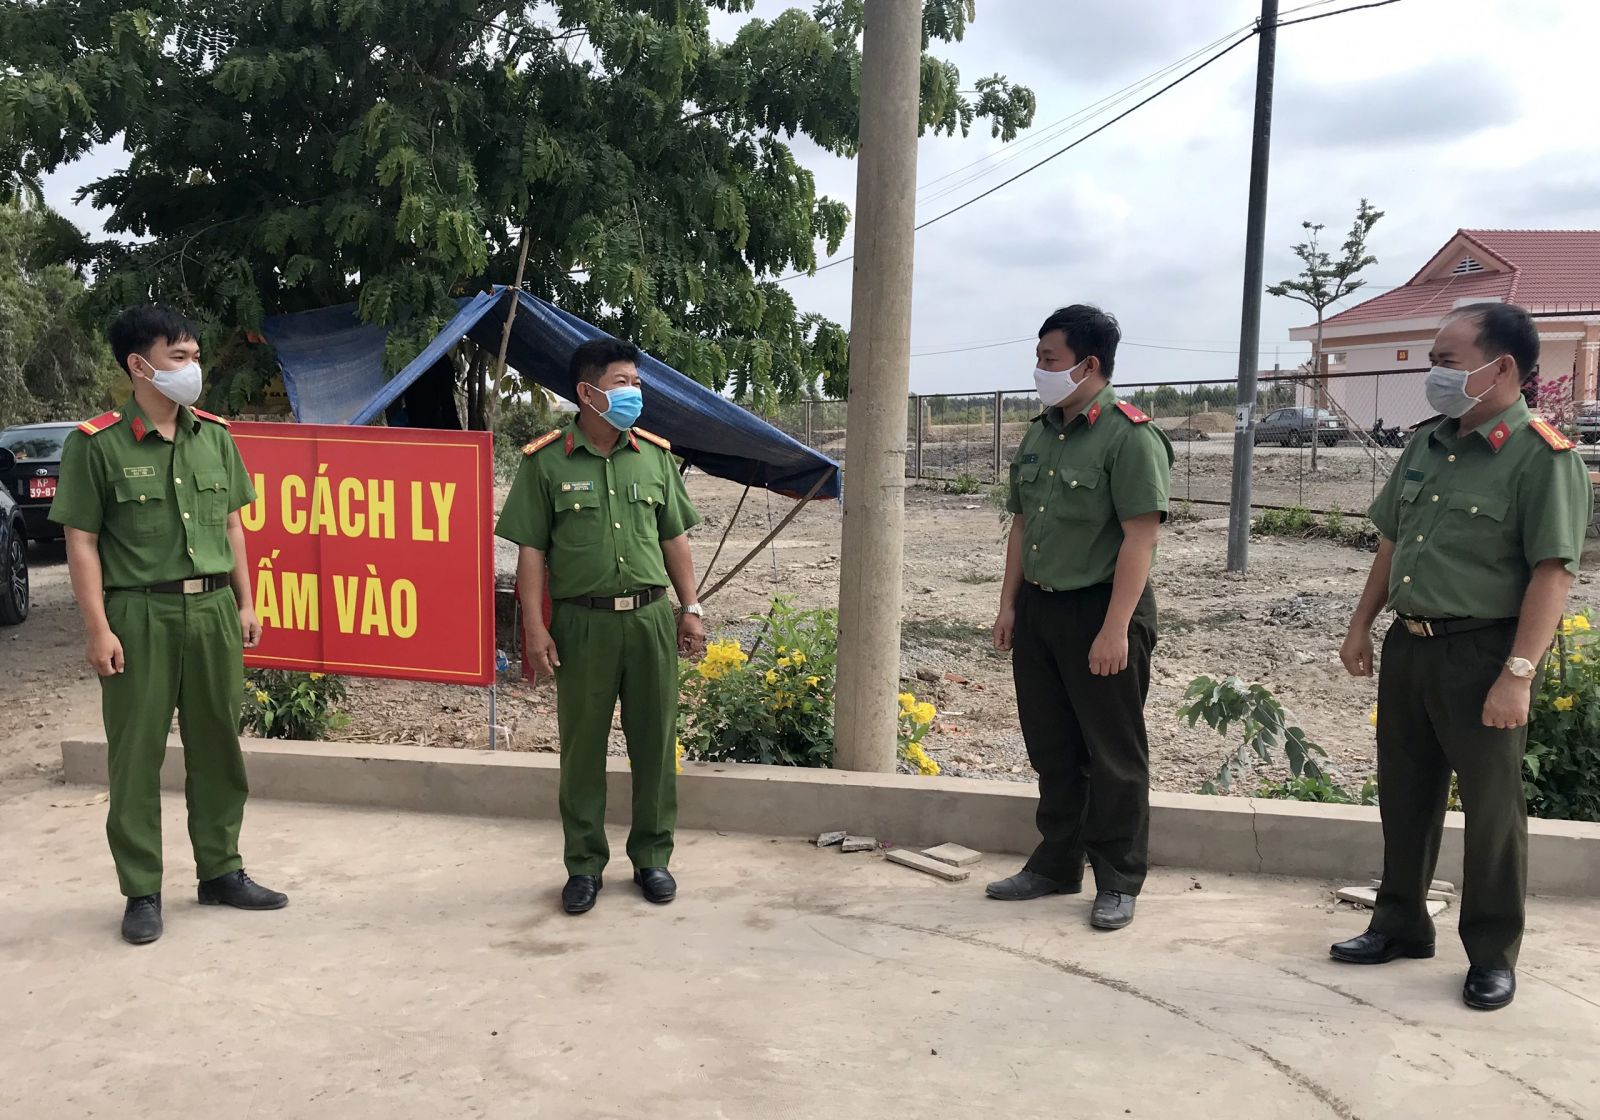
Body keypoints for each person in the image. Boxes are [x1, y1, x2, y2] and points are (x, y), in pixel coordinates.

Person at [1334, 302, 1590, 1011]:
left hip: (1484, 652)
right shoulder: (1428, 445)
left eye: (1447, 361)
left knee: (1492, 810)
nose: (1434, 374)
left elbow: (1553, 573)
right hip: (1410, 649)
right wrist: (1362, 624)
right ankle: (1400, 924)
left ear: (1500, 367)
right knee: (1405, 795)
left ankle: (1491, 952)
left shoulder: (1543, 458)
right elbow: (1391, 539)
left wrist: (1519, 673)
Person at [50, 305, 286, 946]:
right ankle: (142, 890)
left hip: (212, 611)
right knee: (135, 757)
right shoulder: (96, 443)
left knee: (218, 747)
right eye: (179, 358)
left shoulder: (214, 435)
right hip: (139, 613)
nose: (193, 370)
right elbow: (82, 542)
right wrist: (98, 628)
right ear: (139, 365)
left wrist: (247, 600)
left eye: (194, 356)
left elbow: (235, 525)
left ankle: (221, 870)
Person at [496, 338, 706, 915]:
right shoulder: (546, 462)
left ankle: (652, 859)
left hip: (648, 621)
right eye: (621, 383)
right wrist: (534, 631)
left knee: (655, 743)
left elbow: (675, 539)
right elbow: (532, 555)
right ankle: (584, 864)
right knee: (582, 749)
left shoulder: (656, 457)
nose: (634, 393)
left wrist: (691, 607)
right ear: (588, 393)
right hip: (581, 626)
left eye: (636, 383)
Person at [986, 305, 1174, 930]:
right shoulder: (1040, 433)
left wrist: (1116, 627)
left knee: (1113, 753)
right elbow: (1020, 525)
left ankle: (1118, 877)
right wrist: (1009, 604)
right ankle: (1055, 863)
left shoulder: (1130, 436)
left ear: (1089, 364)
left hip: (1102, 610)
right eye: (1039, 359)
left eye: (1050, 360)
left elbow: (1138, 540)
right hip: (1041, 608)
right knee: (1052, 747)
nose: (1040, 371)